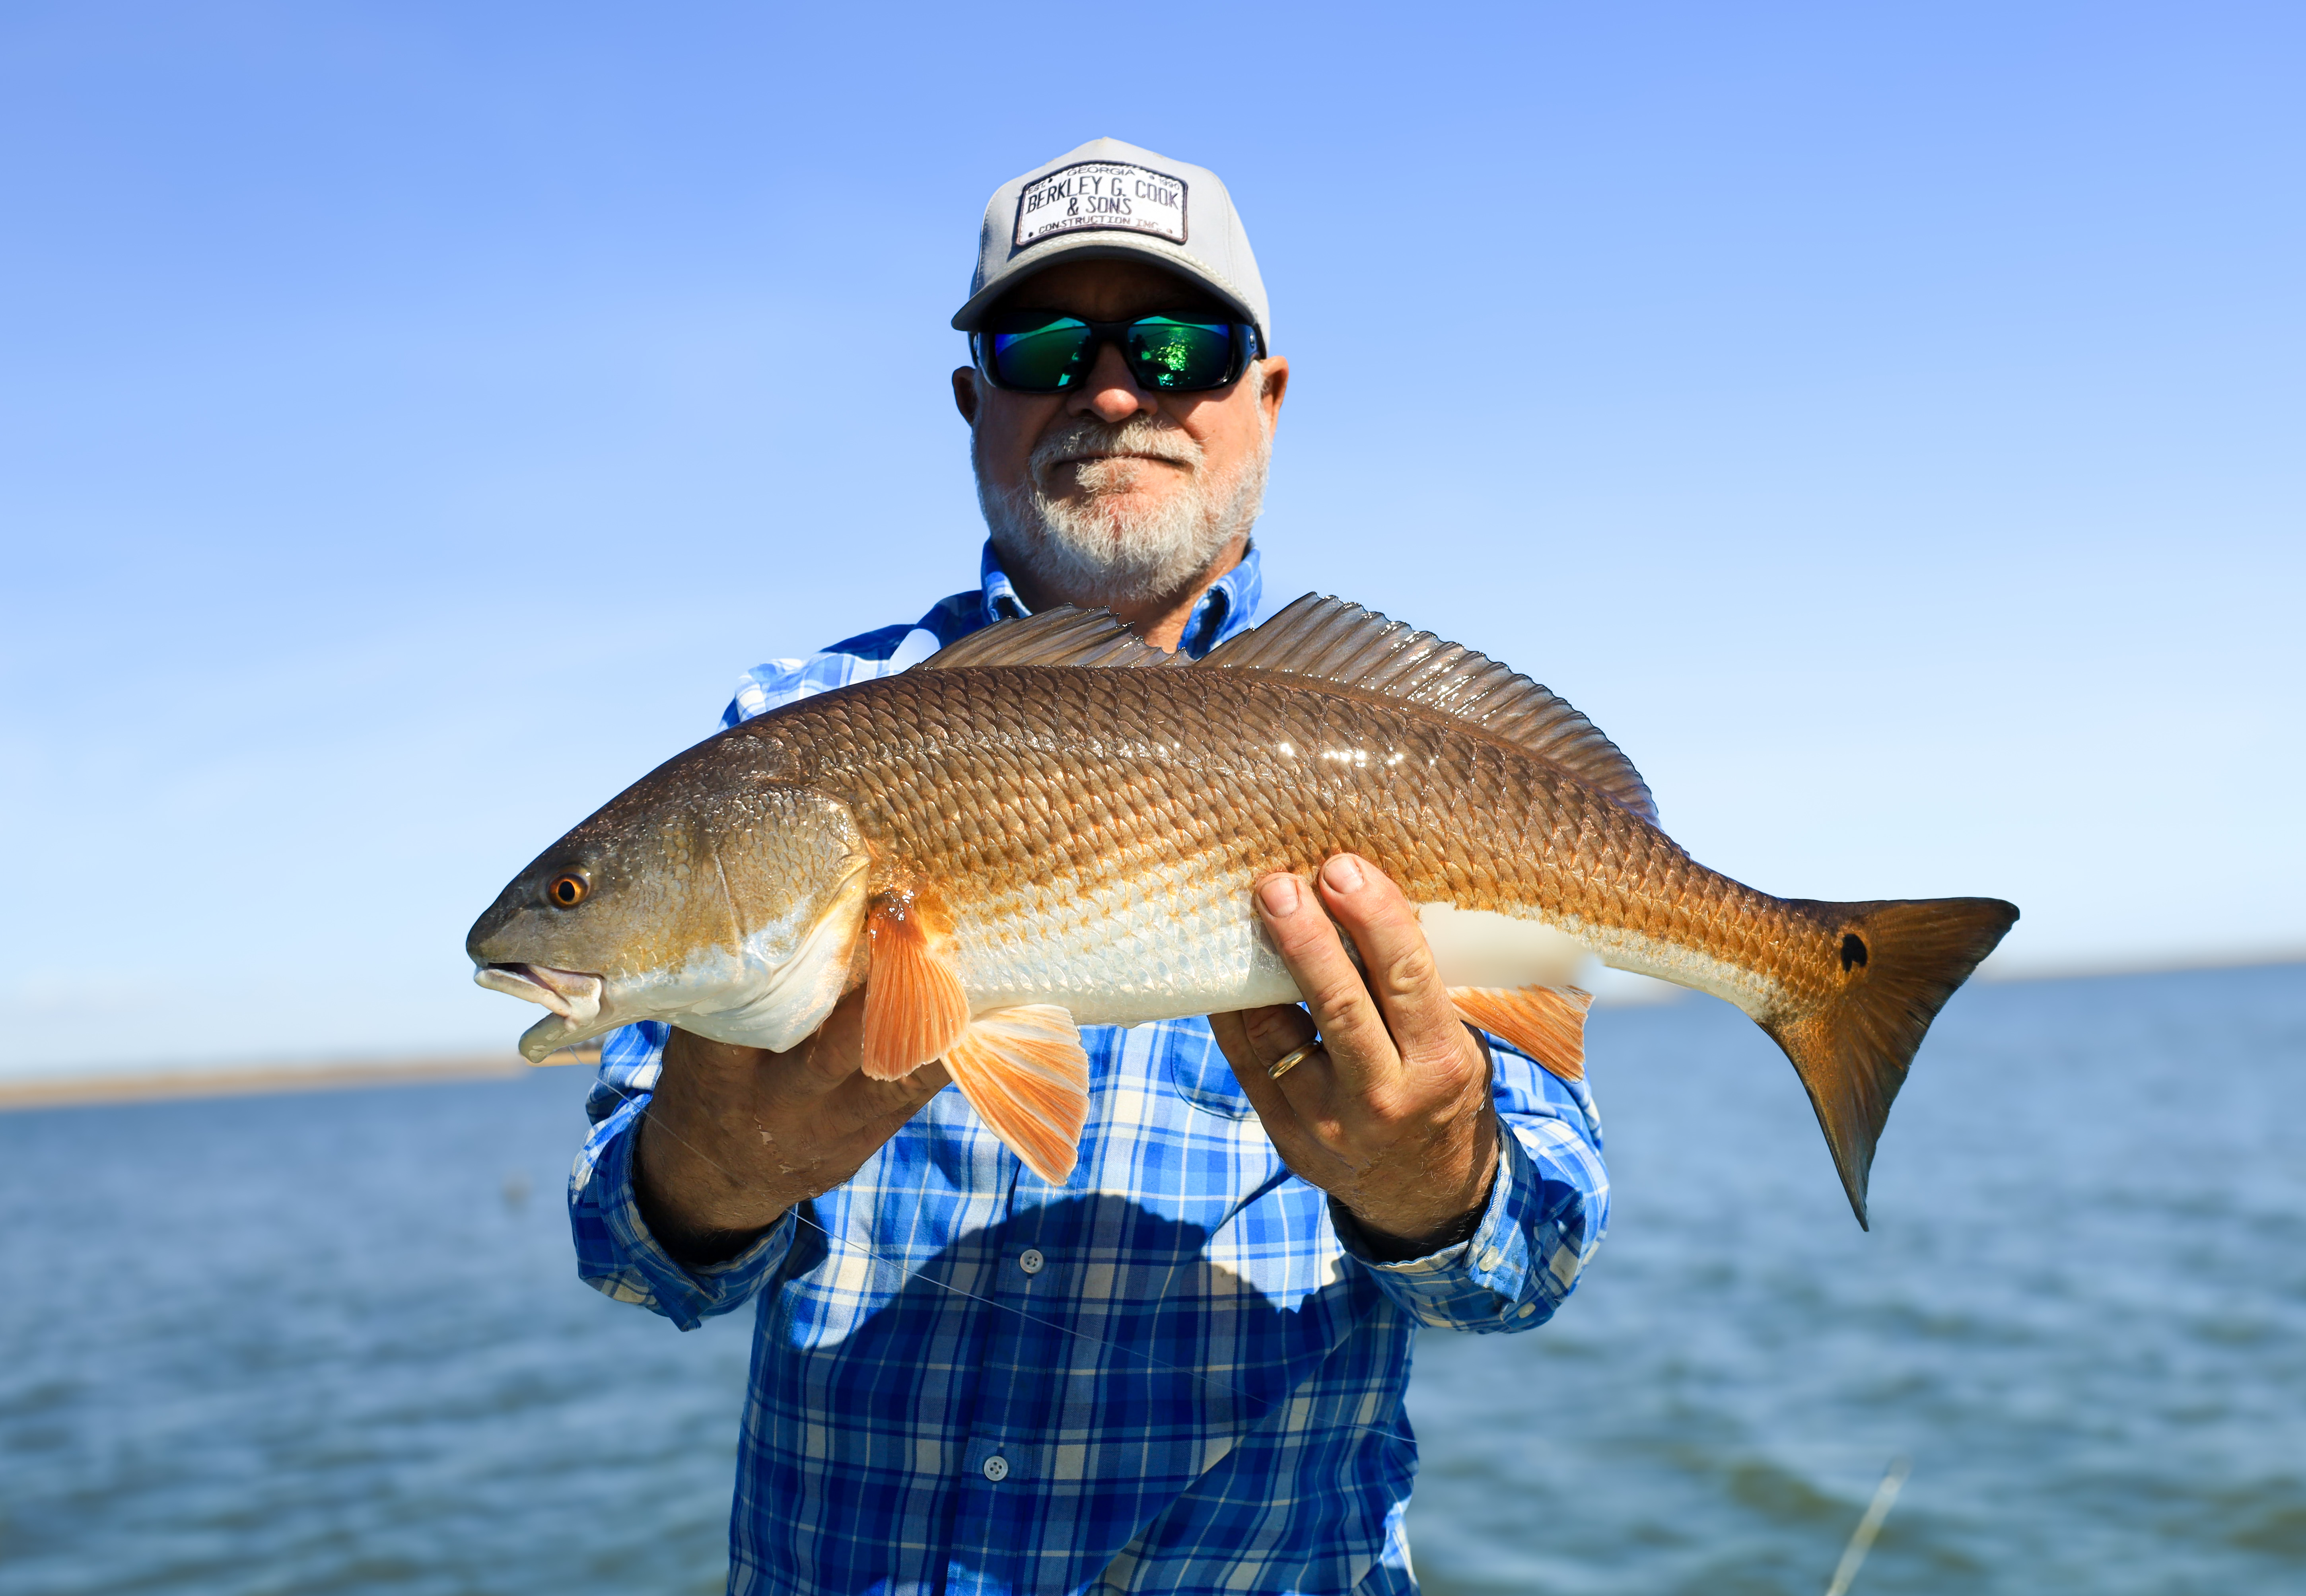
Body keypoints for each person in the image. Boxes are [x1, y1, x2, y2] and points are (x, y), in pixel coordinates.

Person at [571, 137, 1608, 1596]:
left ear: (1267, 395)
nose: (1113, 391)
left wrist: (1433, 1178)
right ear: (972, 402)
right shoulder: (787, 735)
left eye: (1179, 347)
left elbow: (1532, 1264)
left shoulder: (1416, 751)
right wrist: (707, 1174)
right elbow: (630, 1253)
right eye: (1043, 346)